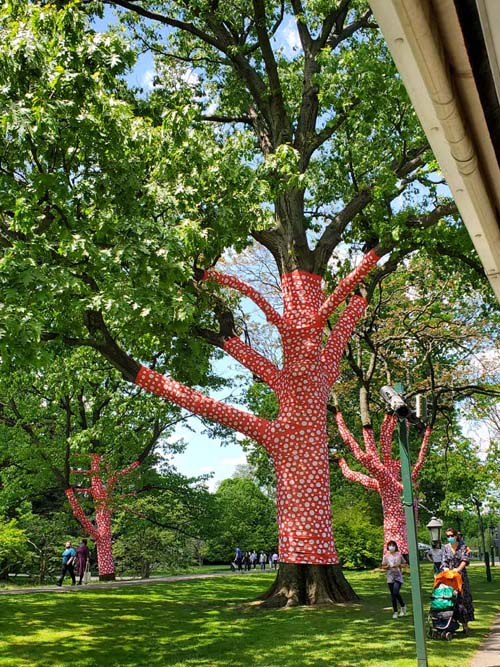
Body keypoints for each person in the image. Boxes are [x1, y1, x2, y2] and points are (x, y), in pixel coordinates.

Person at [441, 527, 475, 633]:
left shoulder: (463, 547)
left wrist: (458, 570)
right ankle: (450, 623)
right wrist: (446, 569)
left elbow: (465, 560)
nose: (450, 538)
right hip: (450, 577)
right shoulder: (445, 548)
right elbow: (444, 561)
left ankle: (465, 625)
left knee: (463, 600)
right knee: (450, 599)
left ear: (456, 536)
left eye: (452, 535)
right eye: (448, 536)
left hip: (461, 577)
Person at [381, 540, 407, 619]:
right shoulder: (386, 556)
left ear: (395, 546)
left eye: (393, 545)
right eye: (390, 545)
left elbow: (404, 564)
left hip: (398, 576)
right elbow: (383, 566)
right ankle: (395, 611)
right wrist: (388, 567)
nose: (391, 547)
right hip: (390, 577)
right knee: (393, 595)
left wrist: (398, 565)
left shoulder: (399, 555)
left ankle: (403, 606)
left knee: (396, 592)